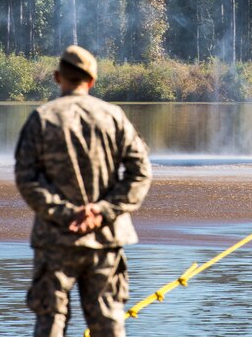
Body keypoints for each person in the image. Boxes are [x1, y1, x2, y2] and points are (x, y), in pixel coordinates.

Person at [15, 45, 152, 337]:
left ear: (57, 77)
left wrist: (66, 215)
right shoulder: (114, 117)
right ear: (91, 82)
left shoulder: (42, 118)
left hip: (55, 240)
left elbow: (26, 179)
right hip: (105, 238)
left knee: (50, 321)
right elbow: (141, 173)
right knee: (108, 321)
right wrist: (102, 211)